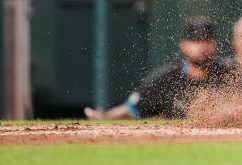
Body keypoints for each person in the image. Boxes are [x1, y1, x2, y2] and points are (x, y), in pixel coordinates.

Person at [84, 20, 233, 119]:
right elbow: (132, 108)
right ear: (183, 45)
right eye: (195, 40)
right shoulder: (166, 78)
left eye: (206, 40)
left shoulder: (229, 74)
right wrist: (106, 116)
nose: (201, 46)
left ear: (214, 44)